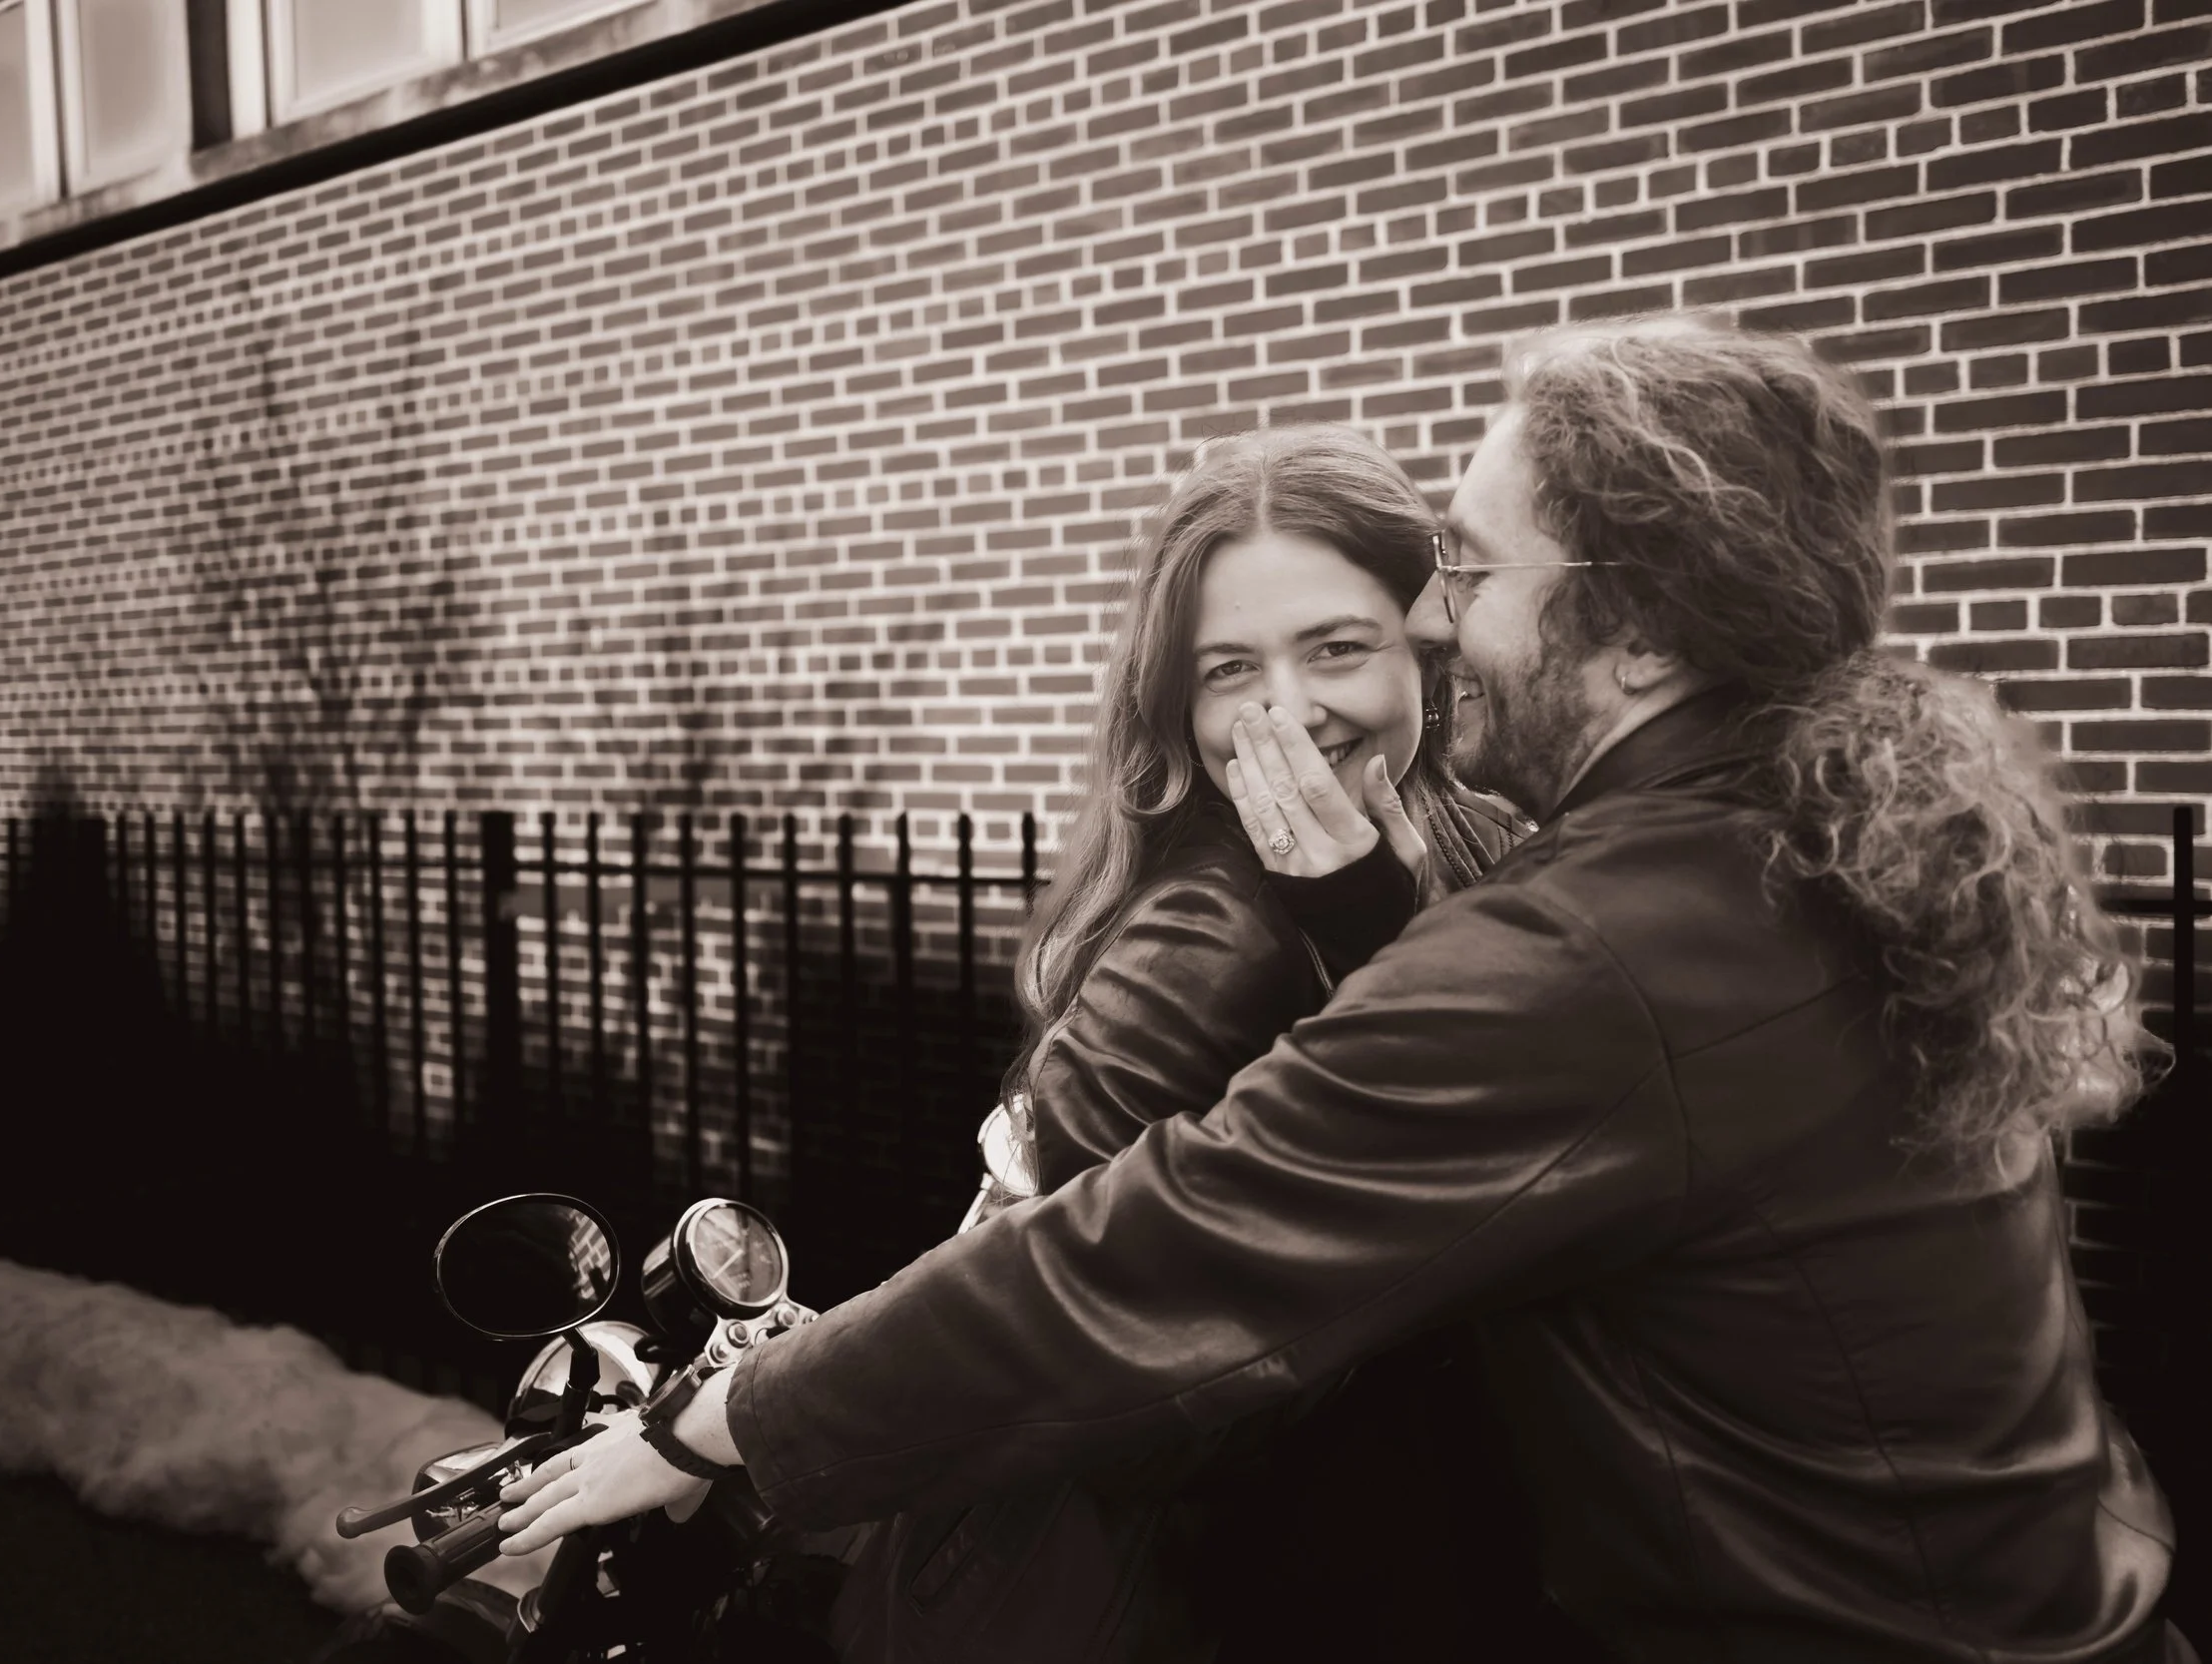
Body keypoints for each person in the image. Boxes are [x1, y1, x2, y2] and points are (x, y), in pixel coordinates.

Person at [503, 315, 2186, 1662]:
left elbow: (1158, 1245)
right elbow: (1572, 1125)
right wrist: (1374, 915)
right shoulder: (1803, 840)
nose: (1438, 616)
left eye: (1473, 570)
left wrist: (726, 1418)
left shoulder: (1598, 943)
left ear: (1640, 635)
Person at [830, 423, 1530, 1660]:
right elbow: (1048, 1295)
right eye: (1229, 669)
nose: (1287, 709)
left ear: (1427, 641)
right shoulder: (1215, 921)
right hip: (1221, 1594)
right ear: (1176, 697)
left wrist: (1374, 927)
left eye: (1337, 646)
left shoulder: (1478, 844)